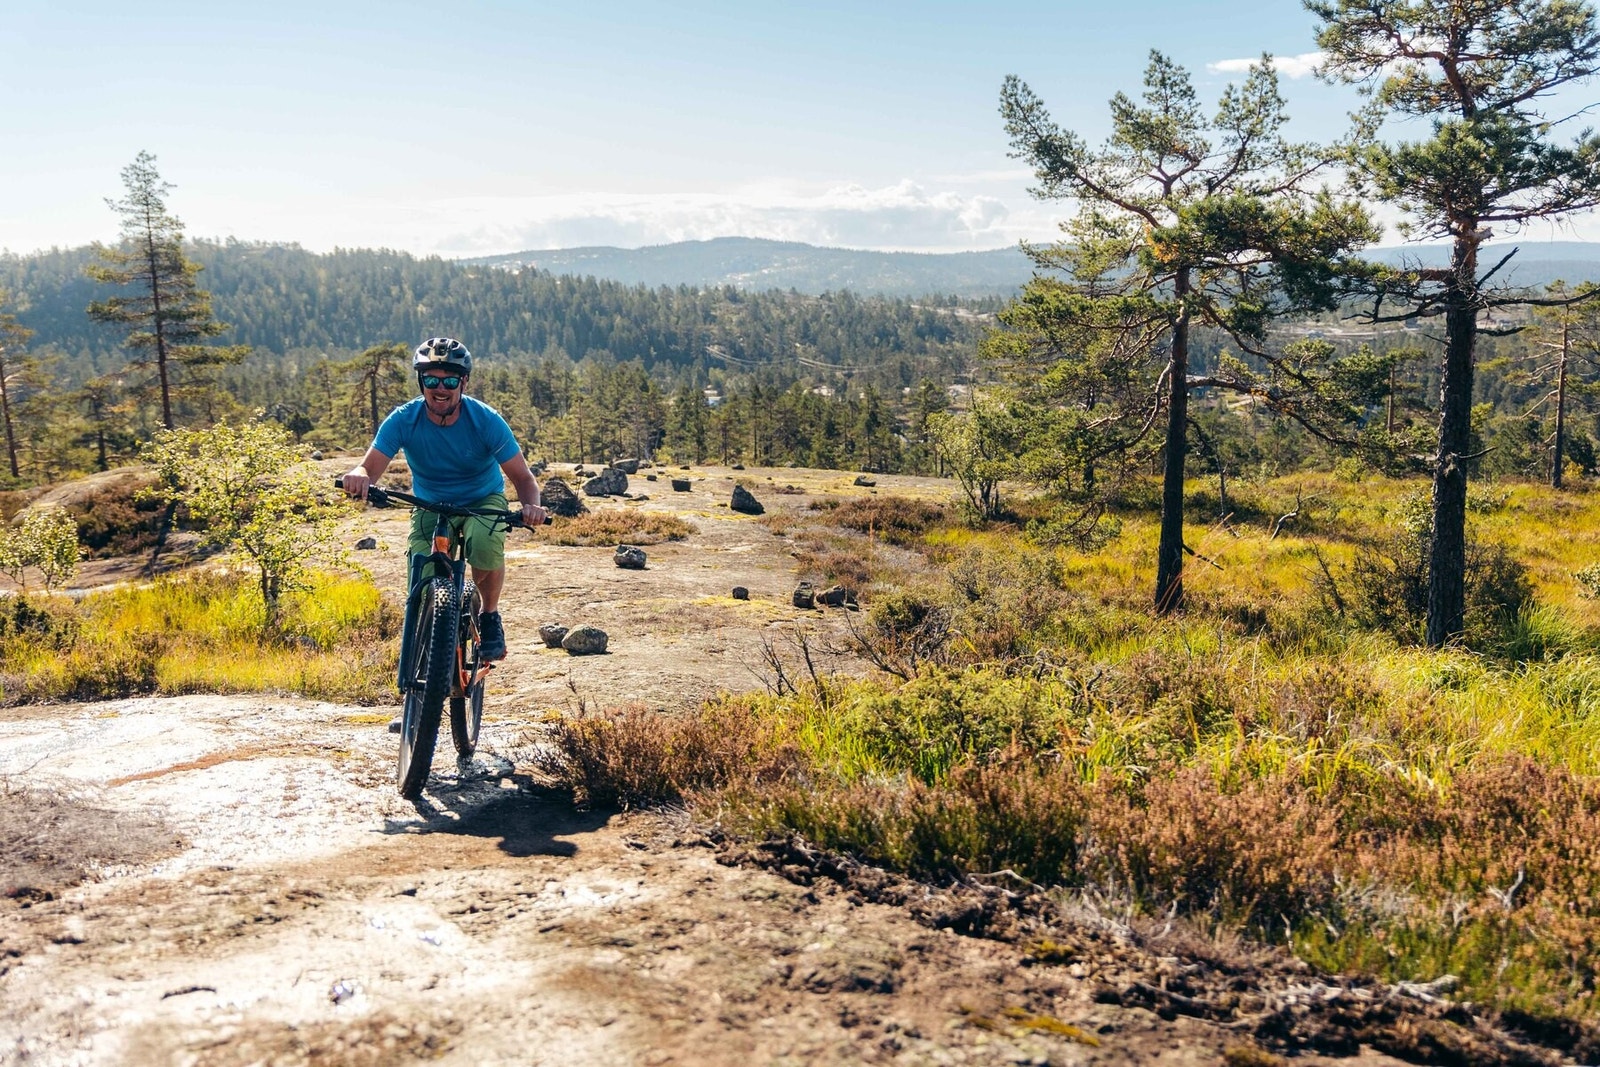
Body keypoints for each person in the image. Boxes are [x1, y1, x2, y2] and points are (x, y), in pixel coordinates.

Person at [341, 336, 546, 665]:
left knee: (484, 540)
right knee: (421, 582)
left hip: (480, 501)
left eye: (450, 380)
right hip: (430, 506)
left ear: (463, 382)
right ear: (421, 381)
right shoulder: (404, 419)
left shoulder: (486, 420)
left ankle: (489, 616)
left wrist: (531, 506)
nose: (441, 387)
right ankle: (416, 699)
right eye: (432, 379)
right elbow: (369, 466)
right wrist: (359, 475)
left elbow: (523, 478)